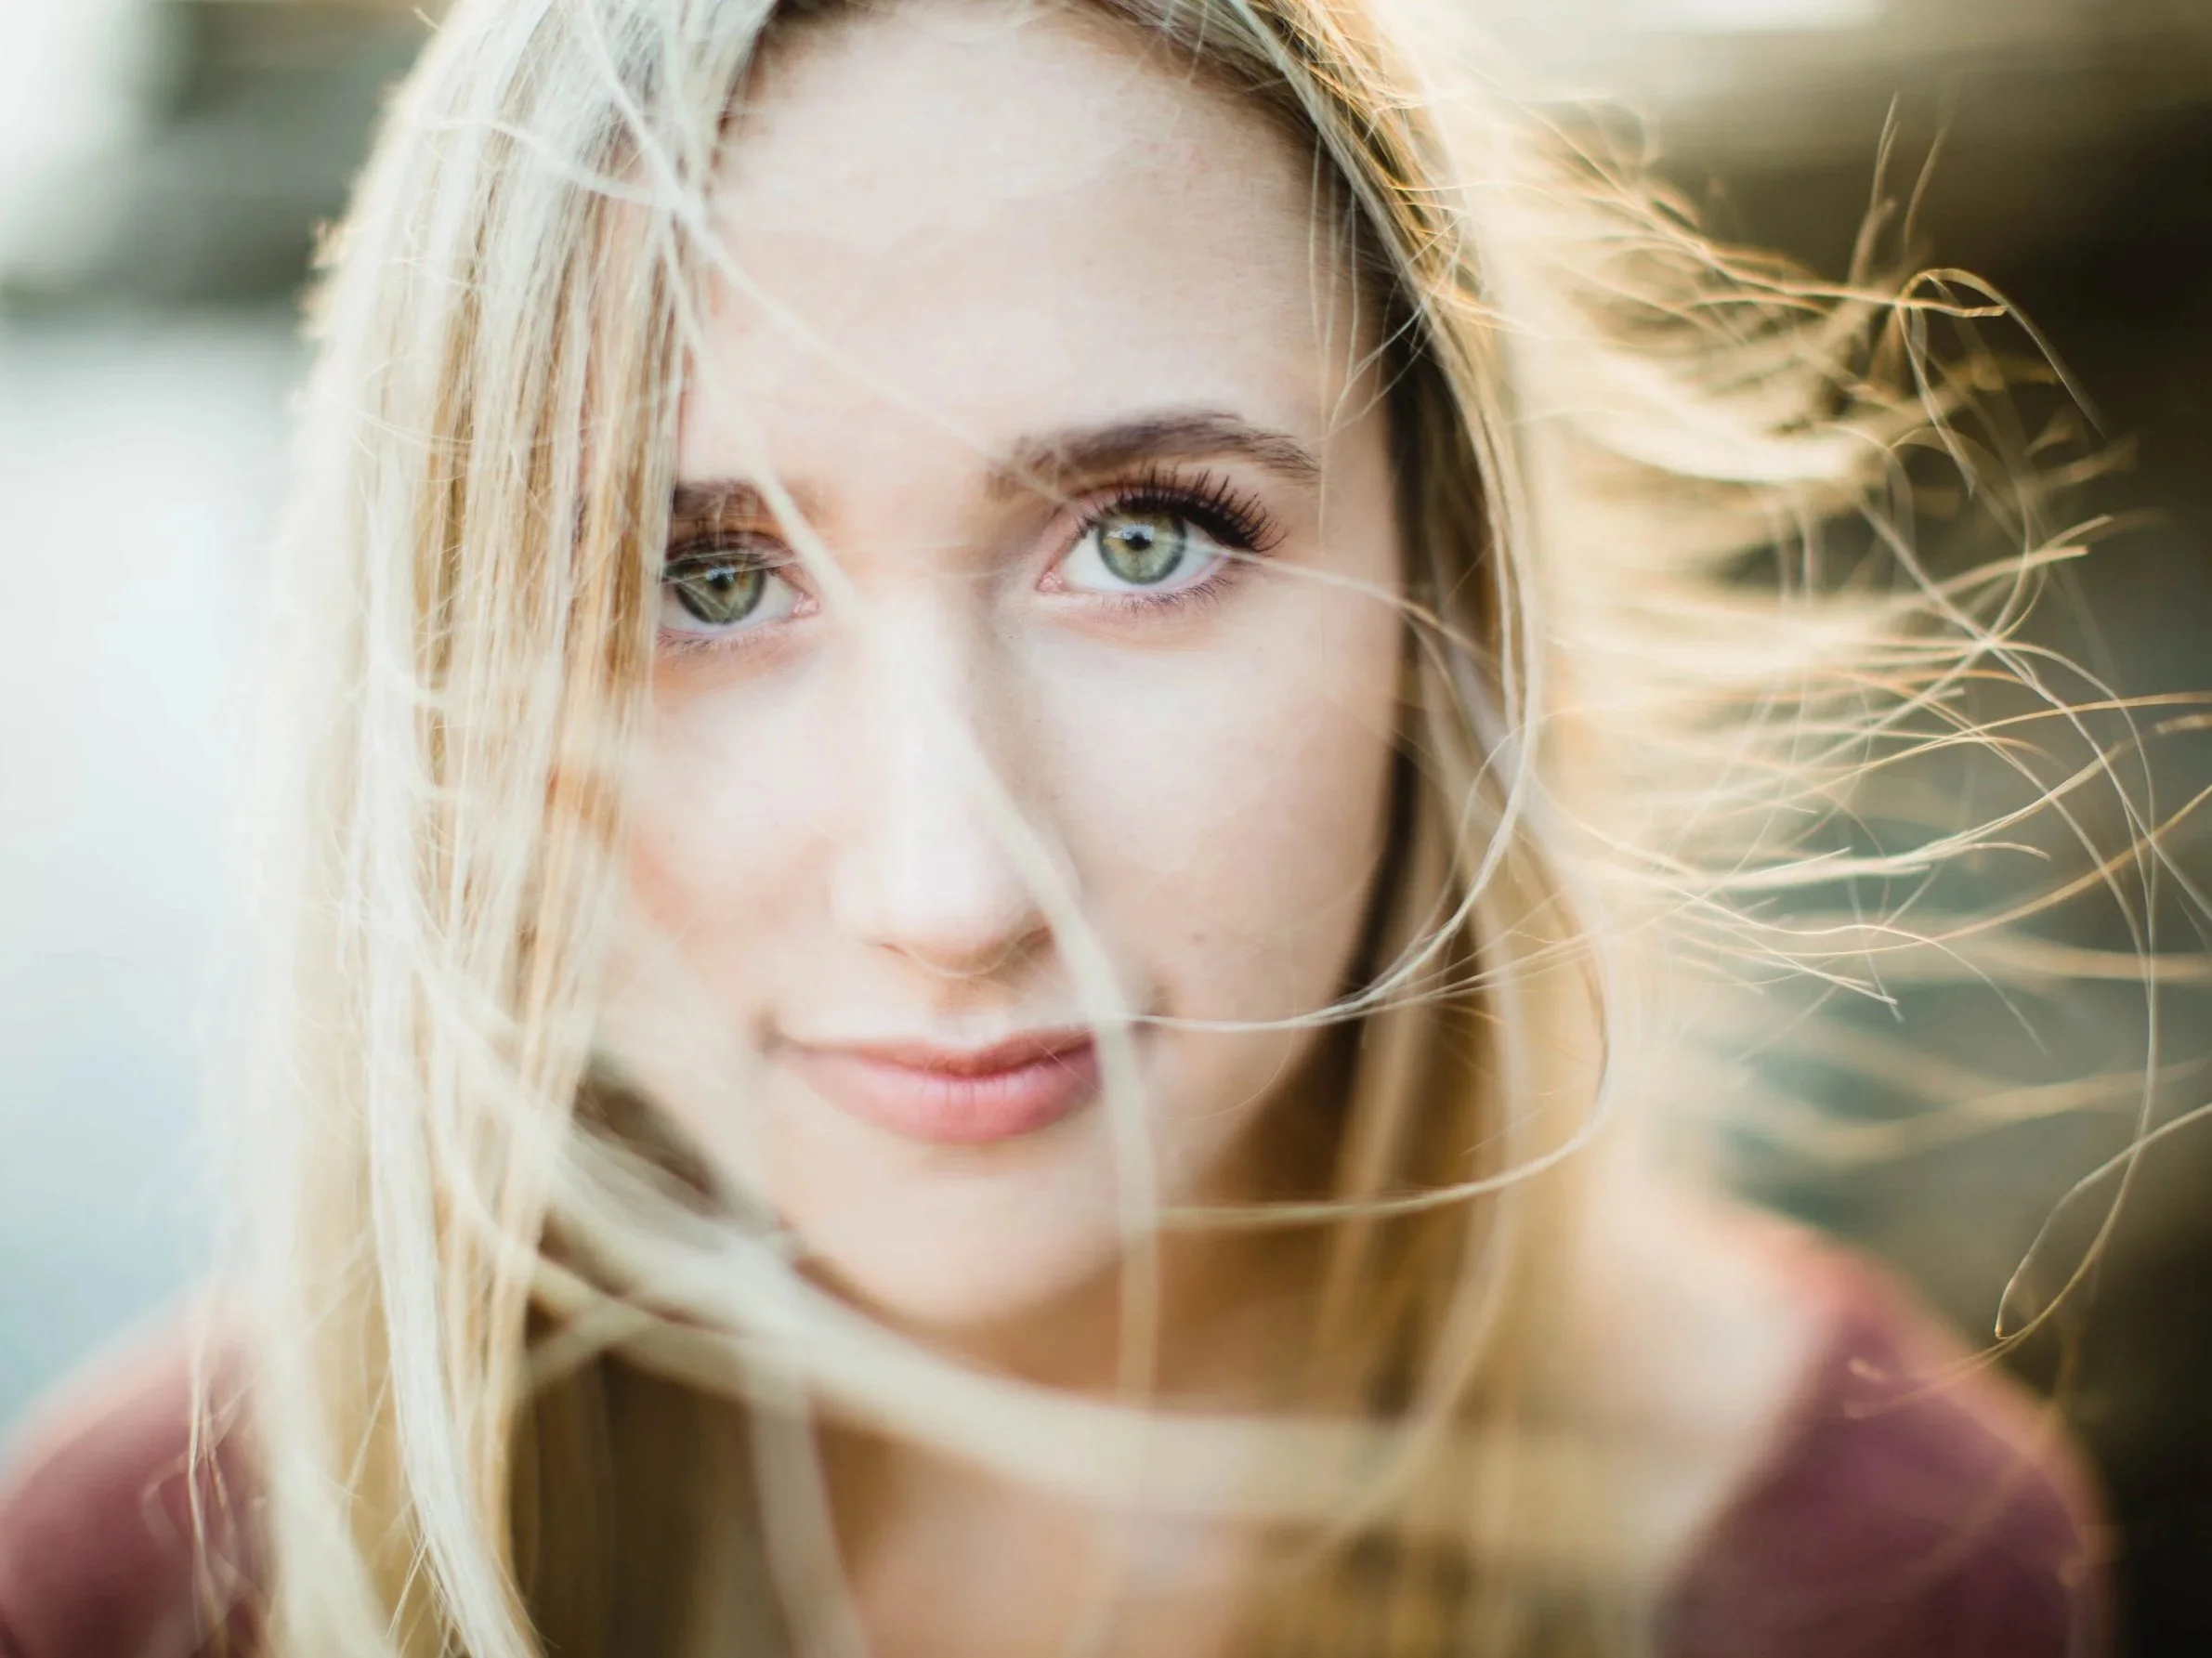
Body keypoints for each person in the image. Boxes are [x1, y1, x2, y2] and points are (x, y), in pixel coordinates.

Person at [0, 0, 2117, 1652]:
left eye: (1142, 541)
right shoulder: (160, 1578)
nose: (948, 897)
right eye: (696, 581)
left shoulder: (1861, 1571)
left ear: (1445, 578)